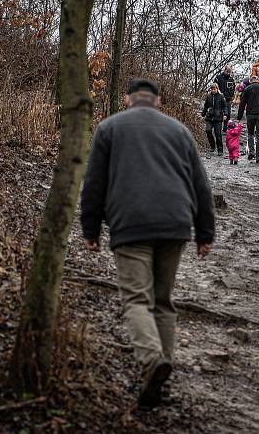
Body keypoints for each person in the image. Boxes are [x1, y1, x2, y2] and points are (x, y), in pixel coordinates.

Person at [80, 79, 215, 411]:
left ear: (127, 98)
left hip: (131, 226)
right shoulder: (180, 131)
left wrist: (91, 227)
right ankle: (159, 378)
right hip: (175, 224)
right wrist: (205, 232)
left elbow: (94, 181)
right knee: (163, 302)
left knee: (136, 300)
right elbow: (201, 184)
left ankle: (153, 360)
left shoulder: (109, 128)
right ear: (158, 100)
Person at [236, 73, 259, 162]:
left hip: (250, 115)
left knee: (250, 134)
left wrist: (239, 116)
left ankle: (251, 152)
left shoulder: (247, 89)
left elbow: (242, 104)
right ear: (258, 80)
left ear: (250, 81)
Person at [201, 82, 227, 158]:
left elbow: (225, 106)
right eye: (212, 89)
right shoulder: (208, 96)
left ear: (217, 89)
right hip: (209, 117)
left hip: (218, 118)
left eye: (214, 89)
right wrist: (203, 114)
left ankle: (220, 149)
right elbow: (205, 106)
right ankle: (212, 145)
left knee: (218, 134)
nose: (213, 90)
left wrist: (225, 114)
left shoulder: (221, 96)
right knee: (208, 130)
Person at [215, 65, 236, 130]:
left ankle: (225, 128)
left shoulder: (231, 79)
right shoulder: (218, 78)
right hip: (219, 99)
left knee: (228, 114)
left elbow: (233, 88)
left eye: (230, 72)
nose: (228, 73)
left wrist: (232, 95)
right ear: (224, 70)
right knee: (219, 113)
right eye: (227, 72)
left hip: (228, 99)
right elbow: (214, 86)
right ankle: (218, 127)